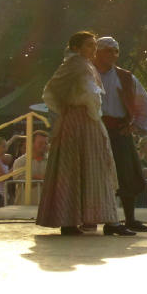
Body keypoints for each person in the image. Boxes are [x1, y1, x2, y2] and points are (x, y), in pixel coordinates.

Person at [36, 31, 132, 236]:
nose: (93, 49)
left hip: (80, 121)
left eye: (94, 45)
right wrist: (74, 110)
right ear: (76, 47)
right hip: (81, 121)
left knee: (82, 169)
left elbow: (52, 92)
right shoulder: (77, 65)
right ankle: (99, 220)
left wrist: (67, 109)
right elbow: (59, 92)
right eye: (89, 45)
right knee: (87, 167)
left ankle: (76, 220)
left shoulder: (79, 65)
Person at [93, 36, 147, 232]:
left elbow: (143, 102)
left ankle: (129, 219)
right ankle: (92, 219)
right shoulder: (86, 74)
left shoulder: (125, 77)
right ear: (97, 51)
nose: (112, 54)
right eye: (108, 50)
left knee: (126, 174)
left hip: (119, 130)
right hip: (93, 130)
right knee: (95, 175)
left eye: (115, 51)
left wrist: (135, 126)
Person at [12, 130, 49, 205]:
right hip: (24, 208)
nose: (44, 145)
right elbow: (19, 179)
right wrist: (41, 178)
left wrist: (34, 178)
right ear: (31, 143)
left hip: (46, 208)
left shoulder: (52, 161)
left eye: (46, 143)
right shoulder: (20, 161)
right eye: (40, 143)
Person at [0, 137, 9, 207]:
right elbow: (2, 177)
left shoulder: (0, 160)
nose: (6, 149)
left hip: (1, 195)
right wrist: (15, 170)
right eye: (3, 147)